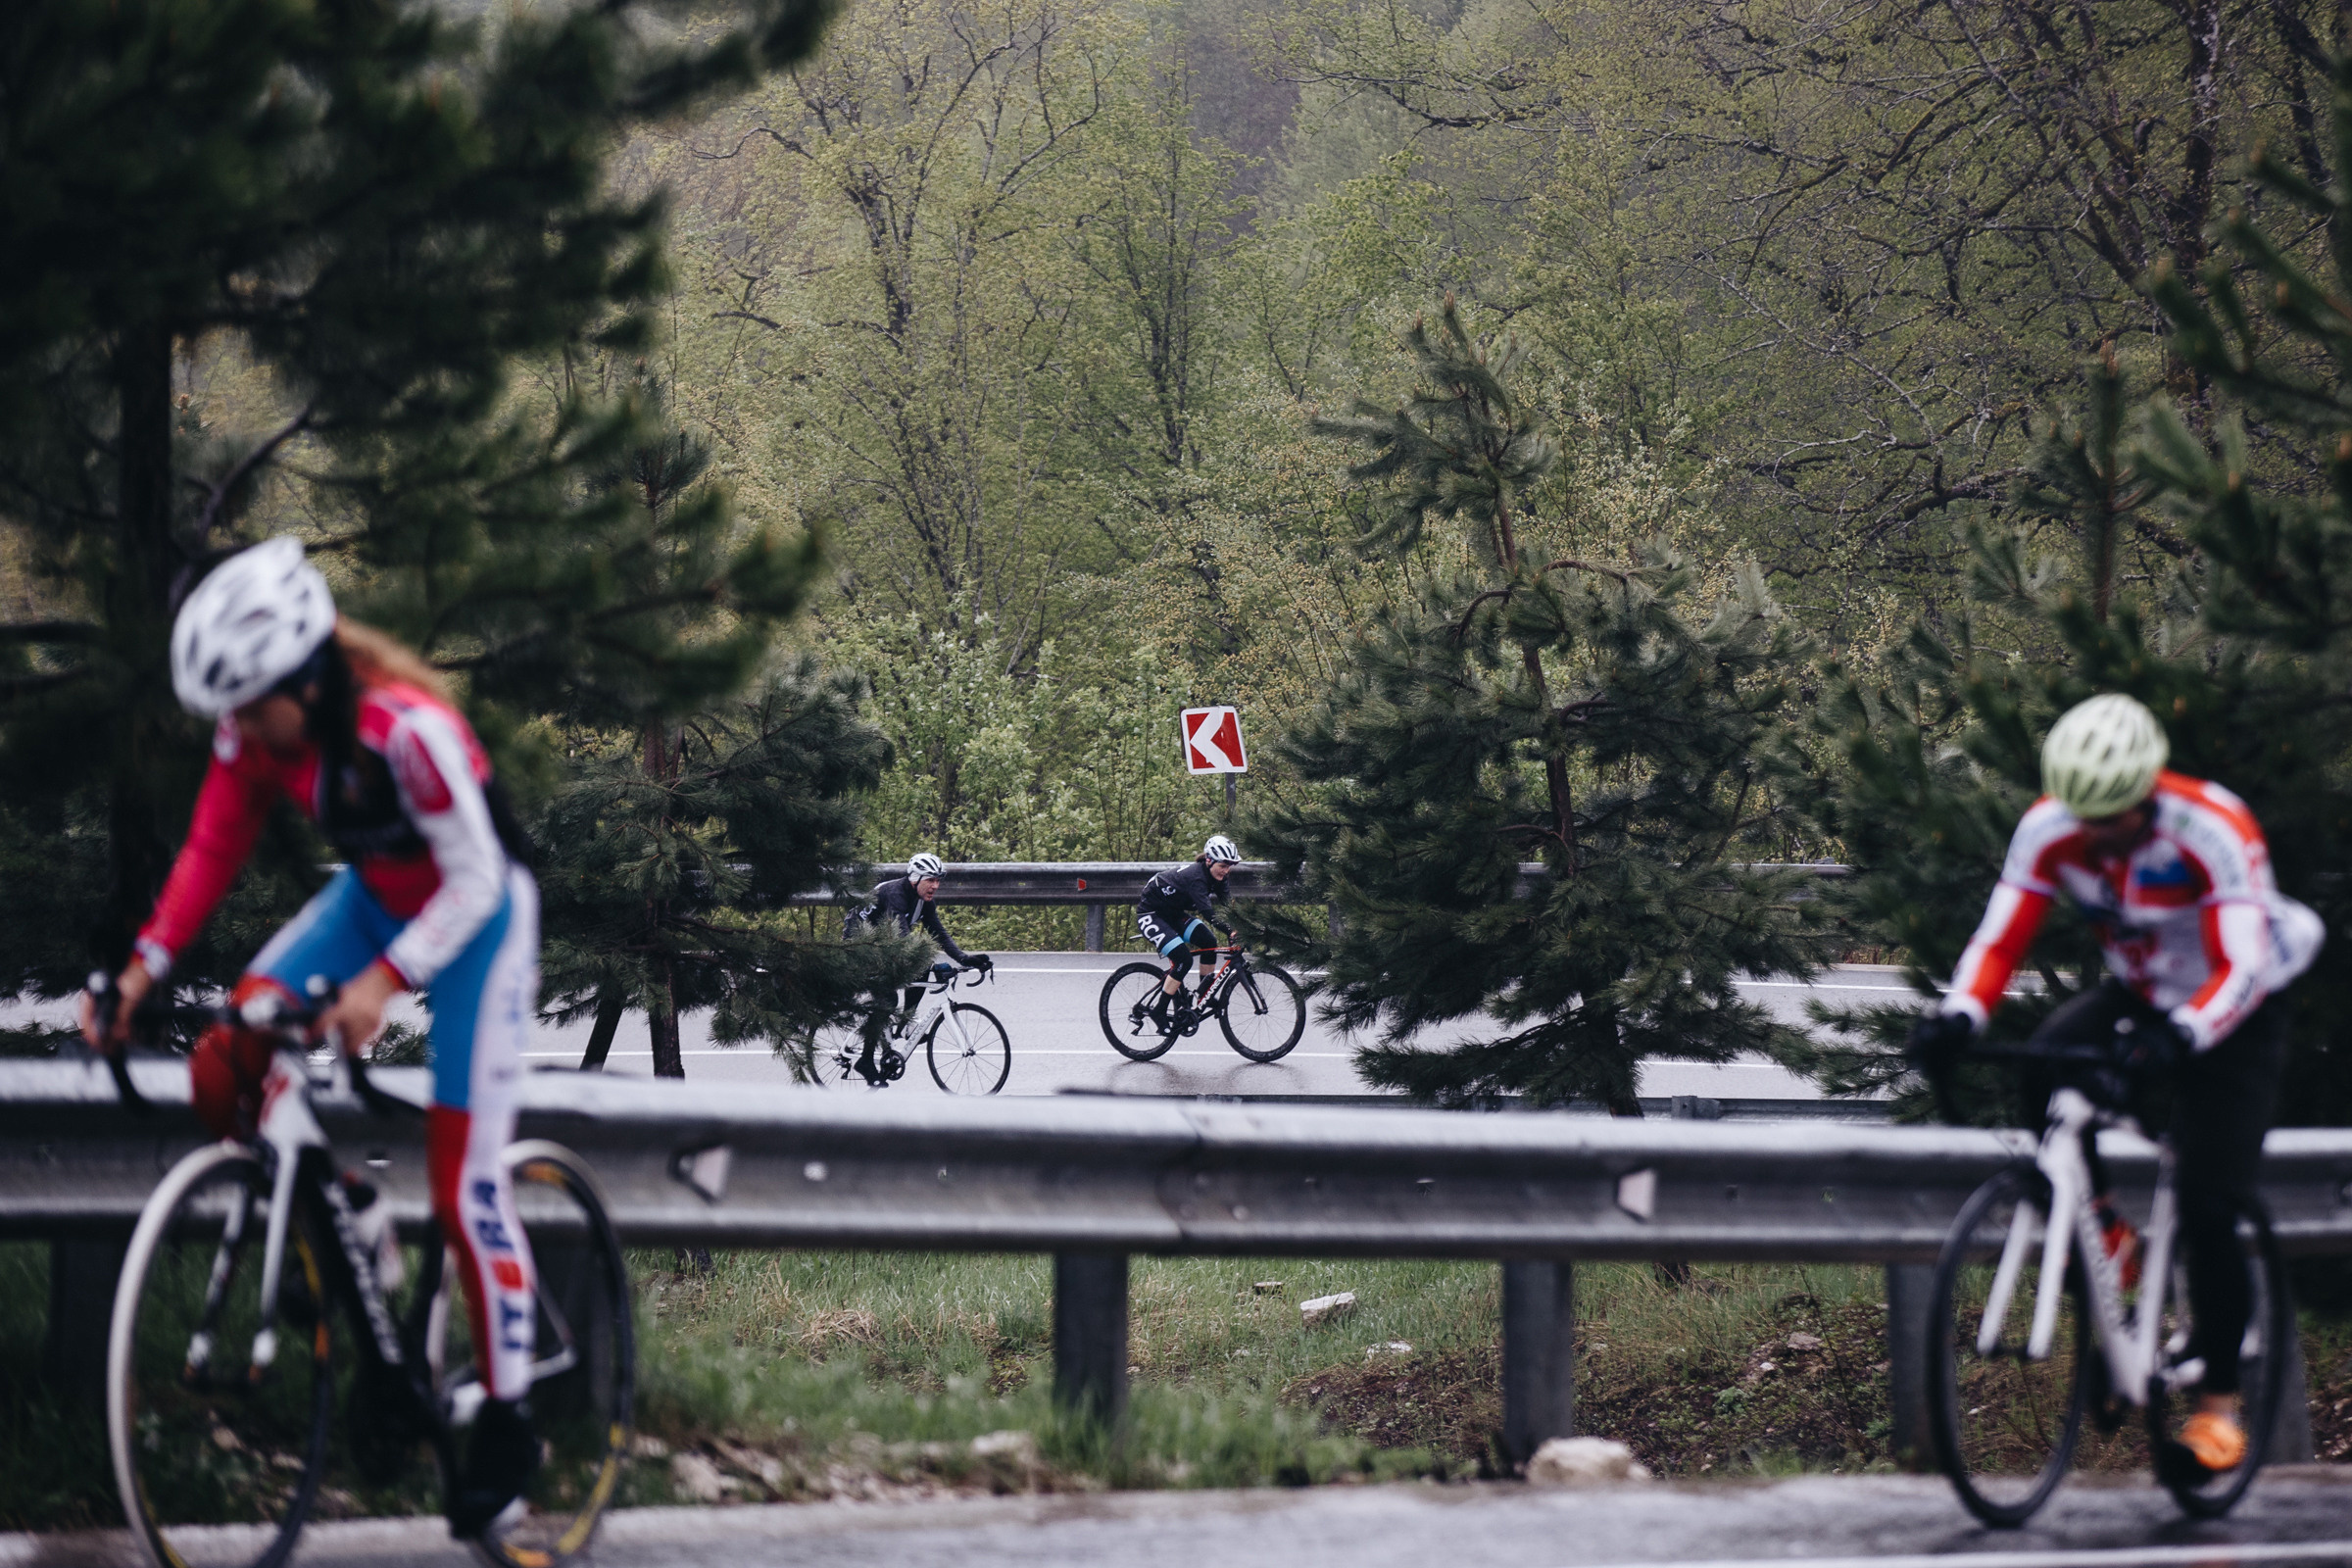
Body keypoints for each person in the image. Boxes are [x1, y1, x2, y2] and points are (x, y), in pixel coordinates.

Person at [78, 537, 545, 1537]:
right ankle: (351, 1212)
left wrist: (384, 981)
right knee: (227, 1055)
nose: (238, 729)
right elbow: (211, 848)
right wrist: (137, 972)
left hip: (482, 925)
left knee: (469, 1189)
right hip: (374, 901)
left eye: (250, 704)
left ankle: (512, 1423)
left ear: (306, 675)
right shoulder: (261, 732)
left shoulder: (405, 730)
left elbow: (477, 883)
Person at [1908, 693, 2323, 1473]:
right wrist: (1958, 1013)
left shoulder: (2213, 827)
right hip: (2140, 989)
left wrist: (2183, 1035)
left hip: (2238, 1003)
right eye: (2083, 817)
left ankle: (2218, 1410)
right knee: (2045, 1062)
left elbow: (2241, 964)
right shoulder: (2049, 827)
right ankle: (2109, 1236)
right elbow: (2001, 936)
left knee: (2208, 1198)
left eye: (2115, 818)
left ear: (2148, 789)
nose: (2095, 834)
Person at [850, 853, 991, 1085]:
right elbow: (903, 940)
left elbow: (939, 934)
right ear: (915, 878)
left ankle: (904, 1024)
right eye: (930, 880)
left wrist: (966, 959)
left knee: (922, 967)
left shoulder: (925, 902)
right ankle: (865, 1060)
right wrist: (934, 965)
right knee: (887, 999)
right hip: (859, 944)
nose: (935, 886)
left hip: (883, 944)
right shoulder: (896, 895)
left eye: (938, 881)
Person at [1134, 834, 1243, 1030]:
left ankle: (1204, 994)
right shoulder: (1196, 878)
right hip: (1151, 914)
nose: (1226, 871)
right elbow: (1208, 913)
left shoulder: (1219, 877)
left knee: (1209, 942)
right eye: (1223, 866)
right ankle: (1159, 1010)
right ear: (1209, 861)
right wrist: (1230, 930)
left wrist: (1244, 927)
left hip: (1173, 914)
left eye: (1229, 867)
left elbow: (1229, 908)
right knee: (1183, 959)